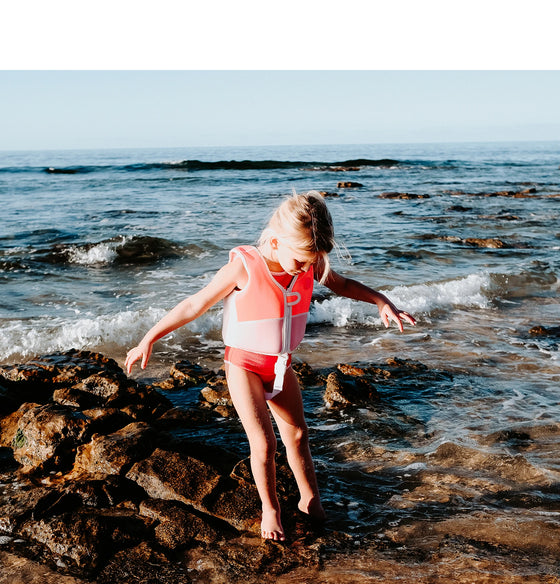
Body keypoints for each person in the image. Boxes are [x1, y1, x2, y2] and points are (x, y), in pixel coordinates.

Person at [125, 191, 416, 542]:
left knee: (297, 435)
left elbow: (344, 285)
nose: (307, 269)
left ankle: (310, 501)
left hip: (281, 366)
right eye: (301, 261)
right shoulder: (244, 267)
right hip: (243, 365)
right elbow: (194, 304)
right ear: (276, 242)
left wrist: (382, 302)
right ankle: (271, 508)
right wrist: (149, 338)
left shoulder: (311, 262)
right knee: (264, 444)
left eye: (312, 262)